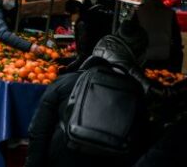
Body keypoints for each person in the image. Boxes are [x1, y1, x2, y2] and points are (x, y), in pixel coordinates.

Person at [26, 20, 152, 167]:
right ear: (140, 58)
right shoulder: (137, 96)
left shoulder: (65, 82)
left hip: (61, 157)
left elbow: (38, 133)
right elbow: (139, 145)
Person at [137, 0, 183, 72]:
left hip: (145, 55)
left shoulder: (139, 12)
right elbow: (176, 36)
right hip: (164, 54)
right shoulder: (169, 13)